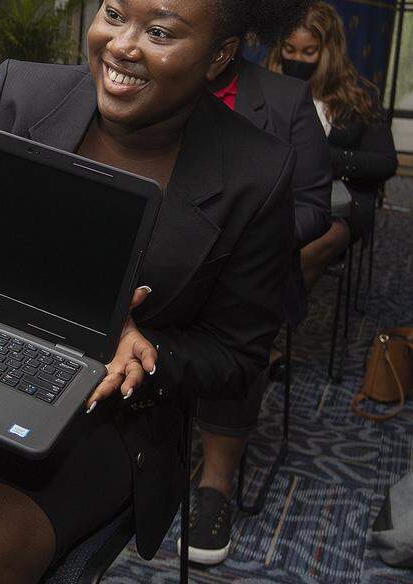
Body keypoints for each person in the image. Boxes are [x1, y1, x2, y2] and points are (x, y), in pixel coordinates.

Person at [0, 0, 330, 584]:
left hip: (102, 423)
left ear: (220, 55)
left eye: (160, 31)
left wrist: (142, 349)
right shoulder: (21, 96)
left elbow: (238, 356)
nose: (122, 46)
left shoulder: (256, 173)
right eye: (114, 14)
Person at [188, 55, 331, 565]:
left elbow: (316, 206)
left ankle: (215, 486)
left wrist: (251, 240)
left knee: (239, 317)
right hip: (164, 264)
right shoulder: (152, 80)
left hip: (251, 273)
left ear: (227, 41)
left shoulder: (284, 99)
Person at [268, 2, 398, 289]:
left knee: (309, 247)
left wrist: (320, 158)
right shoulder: (267, 87)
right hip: (278, 196)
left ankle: (272, 318)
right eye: (290, 50)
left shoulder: (358, 96)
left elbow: (385, 162)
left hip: (343, 200)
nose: (297, 59)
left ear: (329, 50)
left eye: (308, 52)